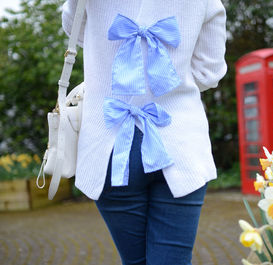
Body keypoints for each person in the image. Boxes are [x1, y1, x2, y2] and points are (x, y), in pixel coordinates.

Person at [61, 0, 227, 264]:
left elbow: (75, 31)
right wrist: (165, 82)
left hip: (109, 148)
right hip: (180, 144)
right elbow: (210, 72)